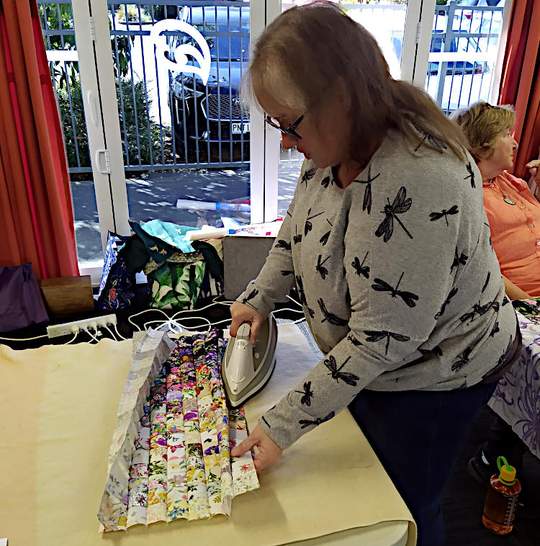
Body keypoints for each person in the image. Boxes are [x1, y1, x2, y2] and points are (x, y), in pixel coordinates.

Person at [229, 4, 520, 545]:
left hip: (441, 371)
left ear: (339, 101)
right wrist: (259, 298)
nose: (285, 143)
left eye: (289, 125)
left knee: (406, 501)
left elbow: (381, 340)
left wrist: (280, 426)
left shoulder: (417, 178)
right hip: (386, 355)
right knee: (368, 467)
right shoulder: (333, 145)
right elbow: (294, 234)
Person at [454, 102, 540, 299]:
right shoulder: (467, 193)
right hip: (524, 300)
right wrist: (529, 306)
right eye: (506, 134)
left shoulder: (515, 183)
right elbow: (479, 268)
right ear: (483, 141)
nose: (515, 143)